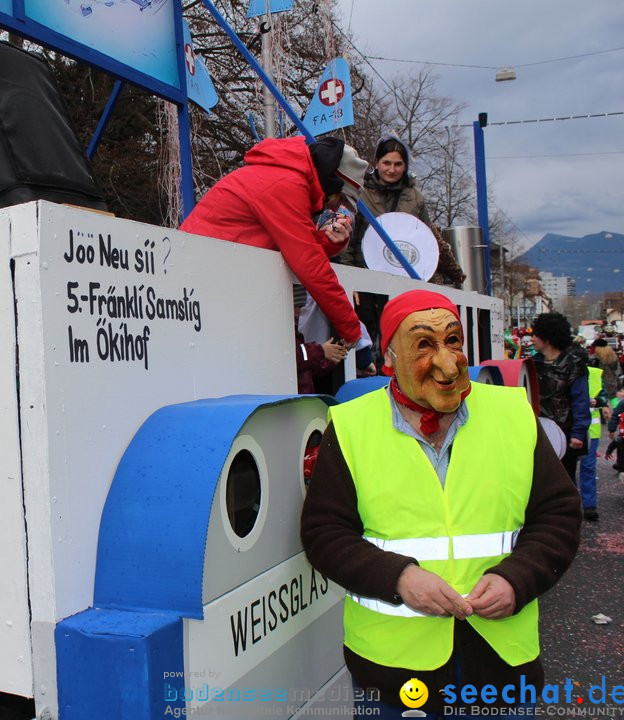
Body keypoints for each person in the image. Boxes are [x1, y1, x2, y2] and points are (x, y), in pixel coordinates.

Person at [301, 289, 581, 718]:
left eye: (453, 341)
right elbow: (325, 534)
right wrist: (399, 578)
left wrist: (516, 580)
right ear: (389, 357)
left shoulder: (511, 415)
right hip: (394, 673)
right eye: (425, 345)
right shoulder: (353, 428)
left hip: (501, 668)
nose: (448, 362)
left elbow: (558, 516)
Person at [180, 135, 367, 346]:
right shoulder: (287, 184)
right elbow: (309, 264)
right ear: (331, 181)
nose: (335, 208)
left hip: (209, 277)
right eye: (340, 199)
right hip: (199, 280)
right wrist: (353, 331)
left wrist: (333, 242)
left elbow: (299, 249)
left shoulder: (284, 177)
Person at [341, 136, 465, 289]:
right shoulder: (360, 194)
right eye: (387, 163)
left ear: (405, 166)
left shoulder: (415, 198)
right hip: (368, 280)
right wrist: (351, 280)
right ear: (377, 163)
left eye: (398, 164)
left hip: (406, 281)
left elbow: (429, 241)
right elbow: (346, 241)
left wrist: (454, 273)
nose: (392, 169)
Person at [530, 313, 590, 484]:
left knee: (564, 482)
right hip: (539, 433)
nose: (532, 338)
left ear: (547, 338)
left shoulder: (574, 365)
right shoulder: (532, 364)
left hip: (565, 432)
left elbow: (580, 401)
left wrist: (578, 433)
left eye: (535, 334)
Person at [576, 364, 604, 521]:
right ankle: (570, 506)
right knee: (567, 468)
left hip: (591, 431)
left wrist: (598, 401)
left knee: (588, 467)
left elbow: (605, 397)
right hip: (570, 429)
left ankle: (589, 506)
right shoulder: (563, 370)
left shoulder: (594, 374)